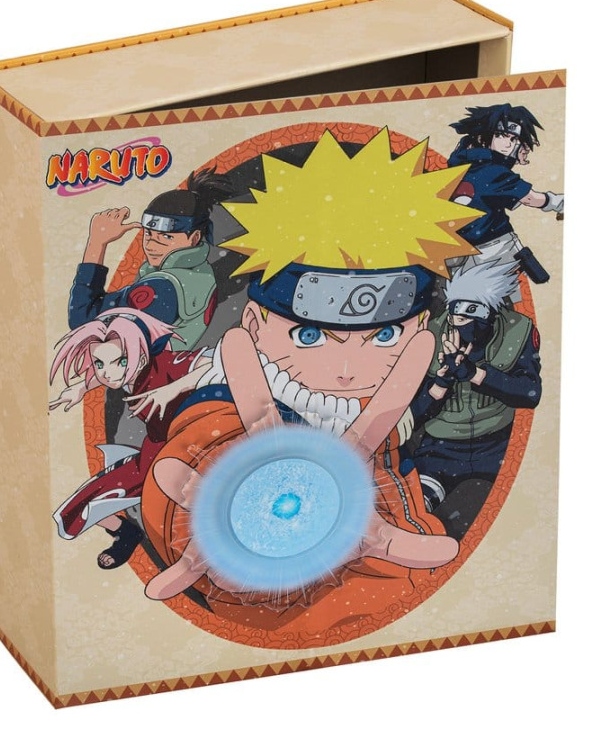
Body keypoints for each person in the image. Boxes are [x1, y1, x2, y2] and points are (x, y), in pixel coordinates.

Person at [139, 128, 483, 629]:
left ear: (419, 330)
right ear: (255, 324)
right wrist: (242, 522)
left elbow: (410, 552)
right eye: (308, 337)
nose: (347, 369)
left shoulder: (384, 420)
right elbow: (189, 466)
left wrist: (385, 535)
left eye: (384, 336)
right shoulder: (225, 410)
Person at [49, 308, 210, 569]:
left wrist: (173, 388)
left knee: (188, 508)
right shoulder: (127, 373)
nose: (107, 373)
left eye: (120, 361)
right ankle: (126, 533)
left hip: (194, 445)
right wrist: (81, 387)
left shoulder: (166, 364)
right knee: (80, 506)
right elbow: (111, 375)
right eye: (99, 364)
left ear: (140, 353)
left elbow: (213, 364)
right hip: (155, 450)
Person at [410, 261, 542, 514]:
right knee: (417, 507)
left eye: (472, 317)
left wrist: (475, 374)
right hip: (440, 448)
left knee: (520, 509)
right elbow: (410, 416)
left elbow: (530, 393)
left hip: (498, 443)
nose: (463, 325)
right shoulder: (430, 335)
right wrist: (441, 382)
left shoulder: (518, 330)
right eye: (457, 318)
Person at [67, 168, 234, 349]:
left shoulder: (163, 287)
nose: (151, 245)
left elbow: (83, 320)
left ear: (193, 238)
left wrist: (97, 243)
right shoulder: (199, 272)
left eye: (166, 237)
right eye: (149, 234)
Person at [447, 103, 564, 300]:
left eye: (513, 138)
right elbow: (530, 198)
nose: (508, 144)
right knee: (487, 304)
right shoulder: (494, 171)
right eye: (501, 135)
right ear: (482, 136)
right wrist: (558, 202)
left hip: (465, 249)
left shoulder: (458, 166)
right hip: (492, 248)